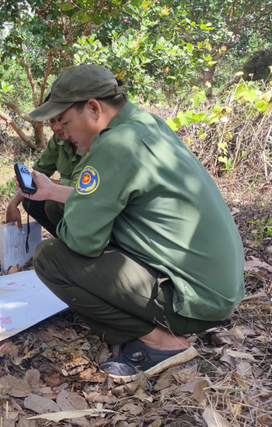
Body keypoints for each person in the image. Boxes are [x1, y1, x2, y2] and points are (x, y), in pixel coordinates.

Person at [18, 64, 244, 382]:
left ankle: (161, 342)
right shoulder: (144, 123)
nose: (62, 132)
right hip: (216, 289)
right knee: (57, 208)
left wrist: (77, 215)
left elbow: (84, 241)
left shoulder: (113, 146)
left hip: (191, 302)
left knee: (51, 258)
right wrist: (54, 191)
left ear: (94, 108)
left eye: (65, 121)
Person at [5, 112, 85, 237]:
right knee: (31, 202)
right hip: (71, 200)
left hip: (86, 202)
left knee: (53, 204)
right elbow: (40, 171)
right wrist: (13, 204)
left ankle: (78, 243)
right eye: (52, 121)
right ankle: (65, 240)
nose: (56, 127)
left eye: (62, 120)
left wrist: (48, 186)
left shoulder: (92, 142)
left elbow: (82, 192)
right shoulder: (59, 139)